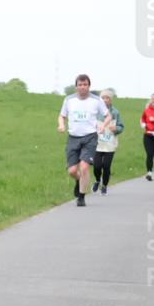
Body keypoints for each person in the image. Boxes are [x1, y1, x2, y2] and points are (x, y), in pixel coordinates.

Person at [58, 74, 111, 207]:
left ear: (89, 86)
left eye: (85, 84)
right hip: (73, 138)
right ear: (76, 86)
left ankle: (81, 197)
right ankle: (78, 181)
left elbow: (108, 116)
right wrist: (62, 125)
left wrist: (103, 126)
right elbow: (62, 116)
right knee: (72, 171)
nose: (82, 87)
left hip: (90, 137)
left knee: (84, 167)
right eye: (80, 85)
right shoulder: (69, 100)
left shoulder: (96, 100)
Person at [92, 89, 124, 195]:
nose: (105, 100)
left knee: (106, 166)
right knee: (96, 166)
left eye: (107, 98)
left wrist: (116, 128)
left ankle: (104, 185)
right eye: (103, 98)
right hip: (97, 144)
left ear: (111, 100)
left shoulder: (115, 112)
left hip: (110, 144)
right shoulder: (95, 111)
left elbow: (121, 127)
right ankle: (97, 180)